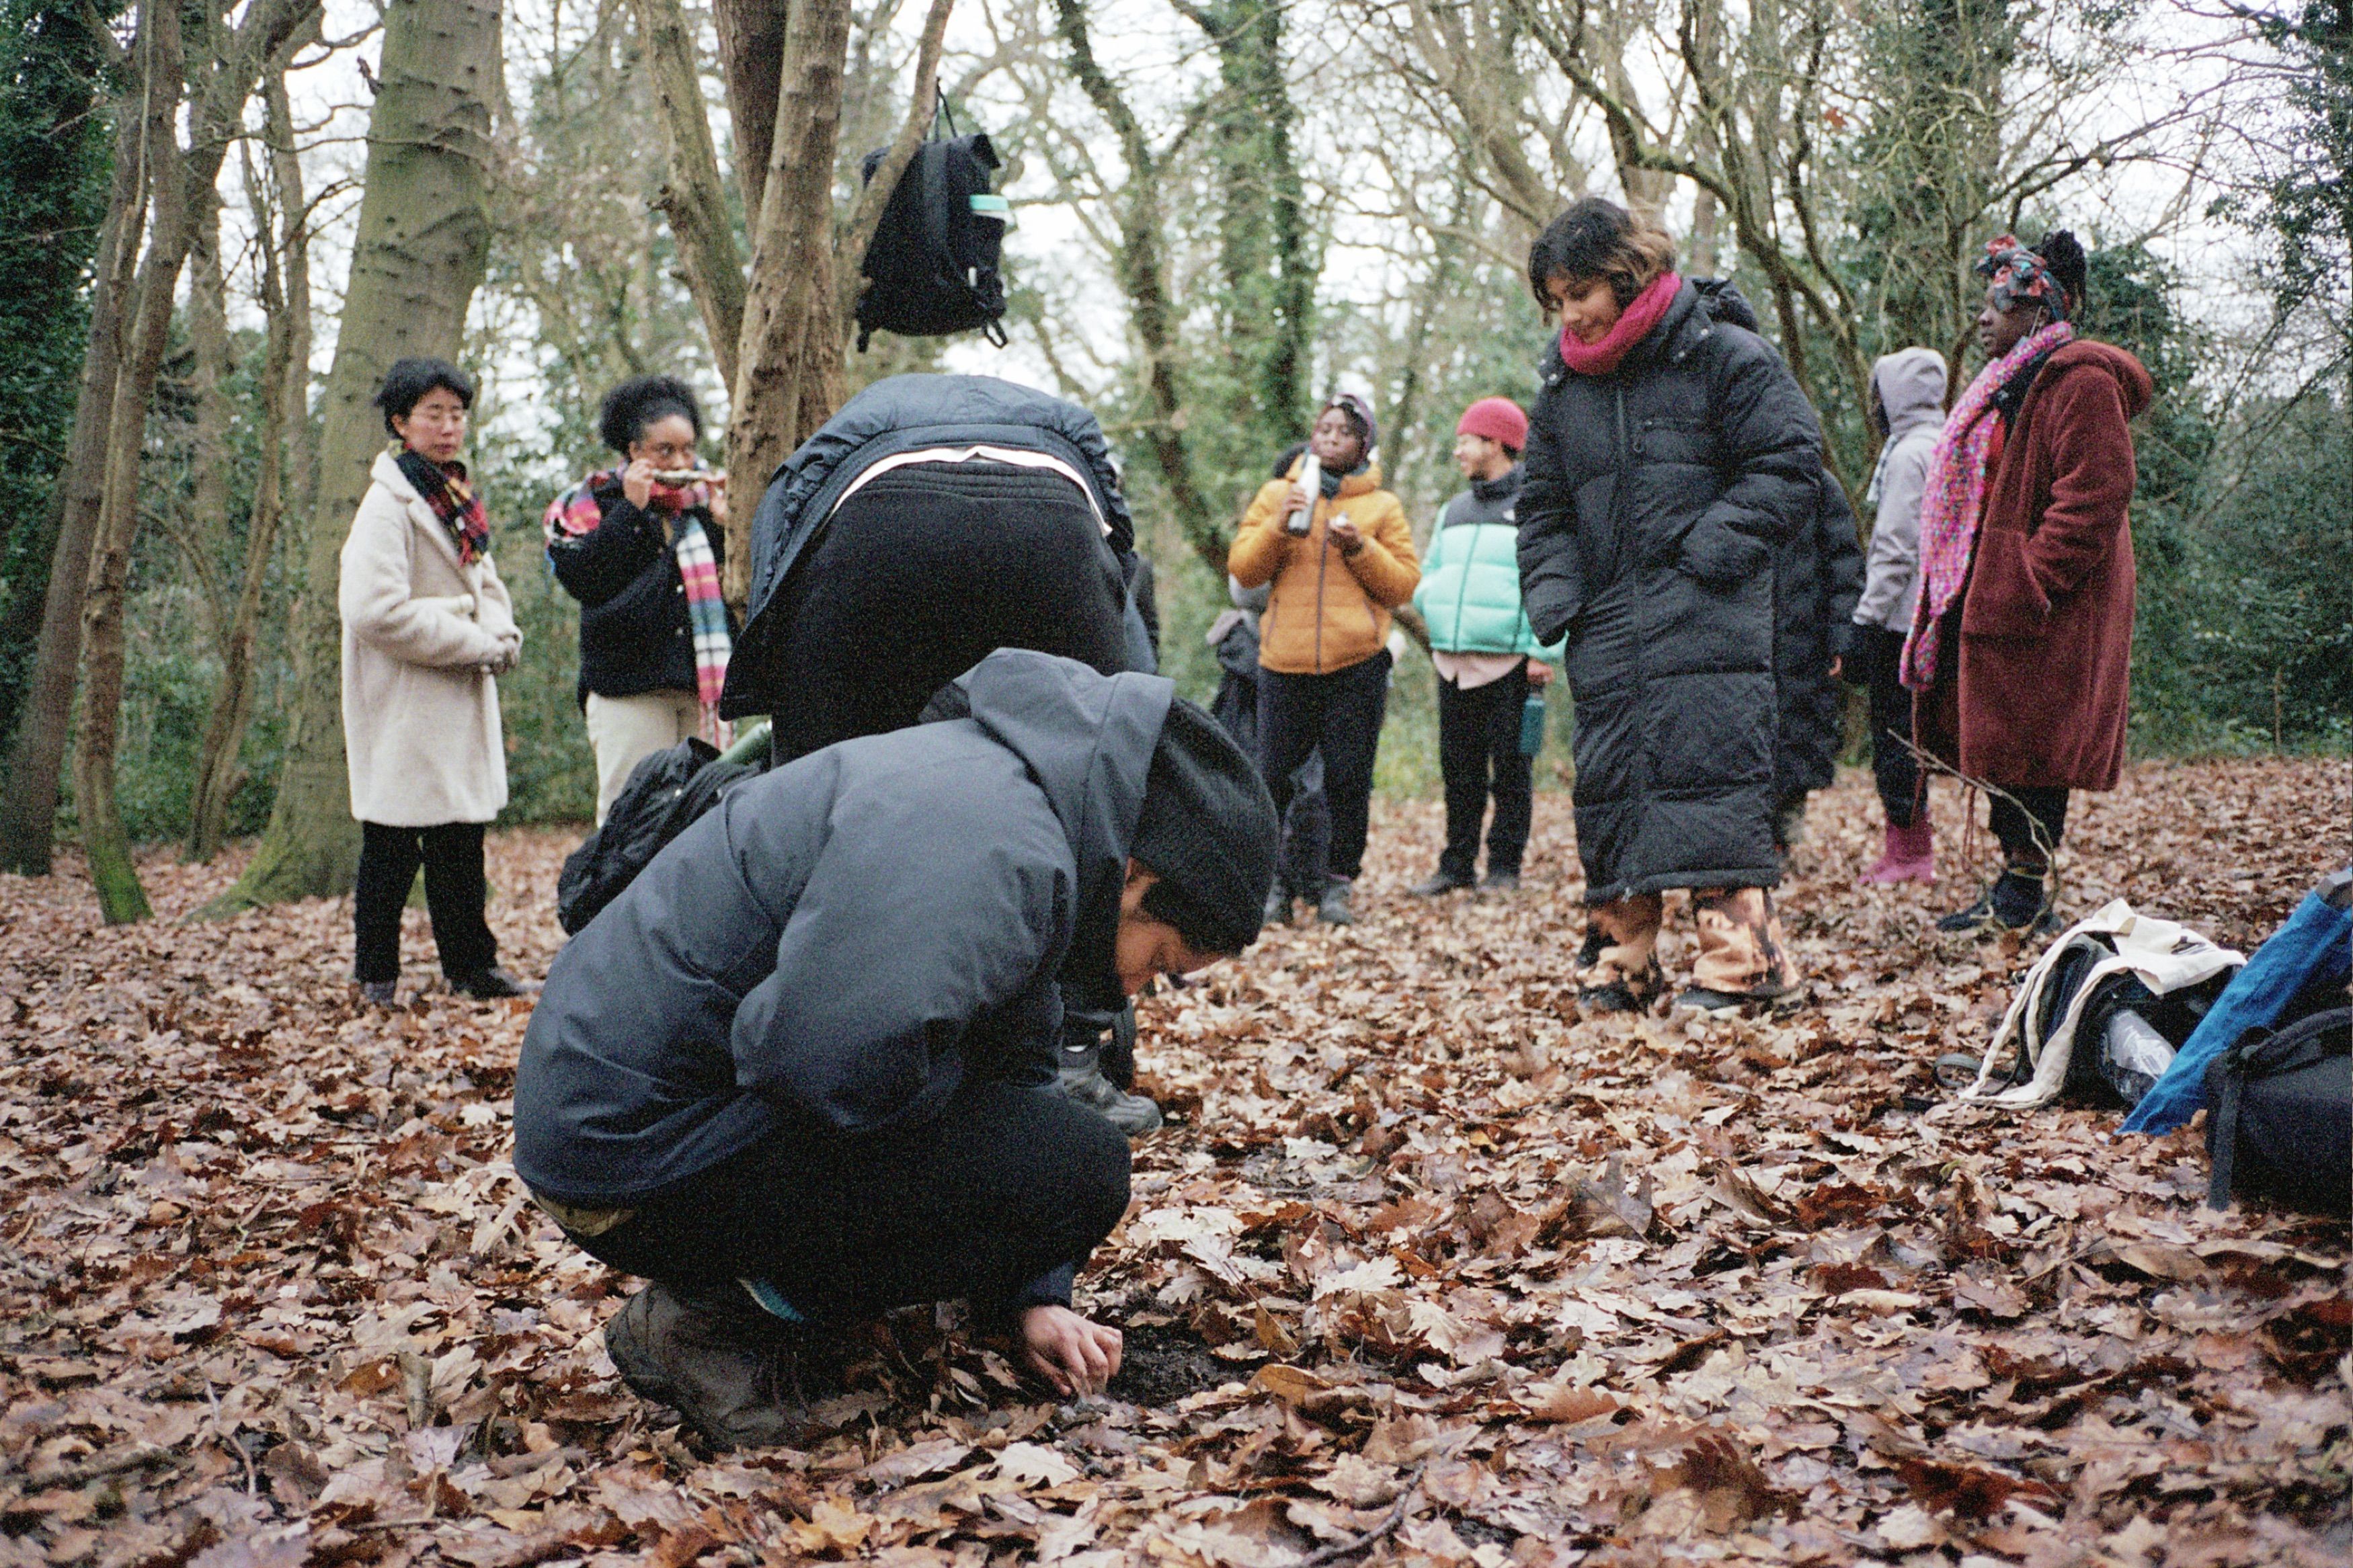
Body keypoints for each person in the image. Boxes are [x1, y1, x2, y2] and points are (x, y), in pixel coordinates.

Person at [512, 651, 1278, 1449]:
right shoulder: (993, 847)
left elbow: (1015, 1060)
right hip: (624, 1153)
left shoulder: (1017, 809)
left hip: (632, 1110)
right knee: (1073, 1166)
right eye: (1157, 964)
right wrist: (976, 1147)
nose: (1132, 996)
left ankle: (746, 1285)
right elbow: (815, 1062)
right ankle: (706, 1318)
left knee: (1063, 1166)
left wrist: (1033, 1289)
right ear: (1133, 876)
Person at [1515, 198, 1823, 1013]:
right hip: (1609, 619)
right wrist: (1558, 595)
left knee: (1713, 771)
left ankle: (1746, 964)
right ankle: (1620, 959)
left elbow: (1791, 459)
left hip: (1710, 608)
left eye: (1579, 292)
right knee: (1612, 788)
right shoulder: (1560, 390)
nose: (1569, 314)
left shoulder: (1722, 354)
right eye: (1556, 300)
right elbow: (1540, 507)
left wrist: (1711, 551)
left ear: (1624, 273)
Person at [1904, 231, 2150, 934]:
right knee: (2008, 744)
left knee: (2032, 746)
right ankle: (2012, 883)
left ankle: (2023, 889)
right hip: (2000, 594)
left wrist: (2031, 575)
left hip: (2046, 605)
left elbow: (2096, 490)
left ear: (2036, 310)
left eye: (1995, 305)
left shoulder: (2077, 380)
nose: (1982, 318)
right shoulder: (2010, 381)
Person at [340, 358, 532, 1006]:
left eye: (457, 414)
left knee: (460, 840)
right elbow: (373, 610)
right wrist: (473, 638)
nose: (449, 427)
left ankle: (472, 967)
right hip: (403, 701)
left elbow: (486, 580)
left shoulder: (452, 493)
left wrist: (502, 634)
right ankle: (375, 974)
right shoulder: (388, 503)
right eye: (433, 414)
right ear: (400, 422)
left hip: (456, 694)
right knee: (391, 844)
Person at [1228, 394, 1421, 926]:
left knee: (1347, 780)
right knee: (1271, 779)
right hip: (1283, 662)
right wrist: (1278, 523)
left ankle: (1337, 885)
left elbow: (1403, 583)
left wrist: (1360, 547)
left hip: (1355, 664)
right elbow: (1244, 572)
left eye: (1344, 432)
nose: (1331, 438)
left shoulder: (1382, 507)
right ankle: (1271, 886)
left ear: (1363, 445)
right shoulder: (1277, 493)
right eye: (1325, 429)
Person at [546, 375, 738, 827]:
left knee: (702, 819)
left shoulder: (706, 504)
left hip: (701, 691)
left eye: (687, 449)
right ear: (634, 451)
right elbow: (586, 579)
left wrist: (730, 527)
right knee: (630, 819)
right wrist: (632, 512)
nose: (681, 461)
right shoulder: (599, 502)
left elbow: (736, 588)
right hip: (628, 689)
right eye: (664, 450)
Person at [1410, 397, 1557, 895]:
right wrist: (1434, 605)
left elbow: (1548, 580)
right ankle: (1456, 865)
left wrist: (1542, 650)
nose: (1458, 451)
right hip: (1453, 661)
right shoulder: (1454, 509)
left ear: (1496, 443)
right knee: (1459, 770)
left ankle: (1503, 868)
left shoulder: (1534, 505)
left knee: (1511, 772)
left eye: (1466, 440)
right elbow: (1428, 574)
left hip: (1511, 663)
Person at [1842, 347, 1948, 884]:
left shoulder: (1909, 456)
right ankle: (1905, 849)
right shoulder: (1941, 441)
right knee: (1907, 734)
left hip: (1901, 619)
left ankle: (1910, 855)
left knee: (1895, 736)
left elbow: (1896, 547)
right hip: (1927, 613)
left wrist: (1866, 619)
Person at [1207, 574, 1332, 914]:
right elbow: (1244, 589)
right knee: (1262, 780)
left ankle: (1316, 881)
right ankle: (1270, 884)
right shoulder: (1269, 521)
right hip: (1258, 665)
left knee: (1319, 785)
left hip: (1329, 662)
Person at [1771, 471, 1864, 856]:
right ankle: (1759, 839)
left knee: (1799, 736)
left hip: (1805, 640)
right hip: (1755, 639)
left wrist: (1841, 639)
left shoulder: (1820, 486)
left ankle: (1785, 834)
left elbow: (1845, 565)